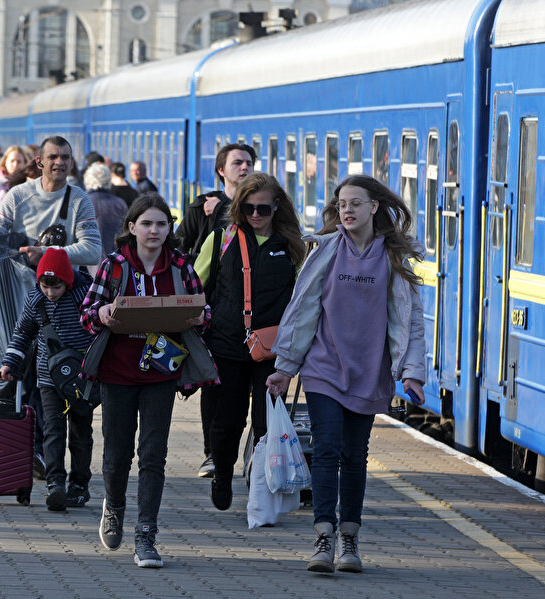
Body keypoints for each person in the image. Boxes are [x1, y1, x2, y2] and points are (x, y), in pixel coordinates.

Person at [265, 174, 426, 574]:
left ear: (374, 208)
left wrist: (411, 373)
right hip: (324, 367)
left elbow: (408, 321)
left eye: (356, 203)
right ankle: (323, 535)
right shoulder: (325, 251)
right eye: (341, 204)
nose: (347, 210)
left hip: (370, 371)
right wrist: (285, 368)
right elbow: (302, 312)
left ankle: (349, 538)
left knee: (355, 456)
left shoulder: (392, 257)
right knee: (327, 448)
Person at [79, 193, 216, 569]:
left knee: (153, 454)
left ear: (169, 228)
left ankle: (146, 534)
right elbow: (87, 313)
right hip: (117, 373)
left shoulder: (181, 266)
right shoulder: (115, 265)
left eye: (161, 224)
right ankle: (115, 505)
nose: (154, 230)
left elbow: (203, 311)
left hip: (161, 372)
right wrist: (104, 312)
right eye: (147, 223)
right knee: (117, 453)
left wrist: (196, 318)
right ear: (132, 227)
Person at [191, 173, 304, 509]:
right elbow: (196, 285)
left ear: (277, 207)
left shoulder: (291, 246)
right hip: (226, 343)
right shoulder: (221, 238)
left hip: (271, 347)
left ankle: (262, 488)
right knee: (227, 419)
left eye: (263, 208)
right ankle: (222, 475)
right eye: (249, 208)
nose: (255, 215)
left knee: (267, 422)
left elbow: (303, 298)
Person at [0, 135, 102, 318]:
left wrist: (46, 252)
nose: (59, 162)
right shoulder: (17, 196)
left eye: (65, 157)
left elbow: (93, 250)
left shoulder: (80, 200)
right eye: (52, 157)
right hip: (15, 302)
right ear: (39, 162)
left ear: (71, 162)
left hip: (60, 301)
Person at [175, 143, 256, 477]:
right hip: (213, 312)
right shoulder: (201, 208)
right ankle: (213, 453)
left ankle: (249, 456)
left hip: (253, 317)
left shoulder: (259, 206)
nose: (245, 167)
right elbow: (180, 250)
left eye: (250, 163)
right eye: (238, 162)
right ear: (221, 169)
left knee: (247, 396)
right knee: (214, 386)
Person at [0, 248, 95, 511]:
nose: (51, 293)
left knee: (81, 432)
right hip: (48, 378)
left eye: (57, 286)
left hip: (81, 378)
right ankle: (55, 483)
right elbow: (22, 333)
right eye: (45, 286)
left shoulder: (85, 294)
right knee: (52, 430)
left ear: (68, 281)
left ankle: (79, 485)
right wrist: (10, 361)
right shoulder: (35, 299)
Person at [83, 163, 128, 257]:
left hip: (88, 260)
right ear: (108, 180)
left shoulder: (82, 202)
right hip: (115, 259)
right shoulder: (119, 203)